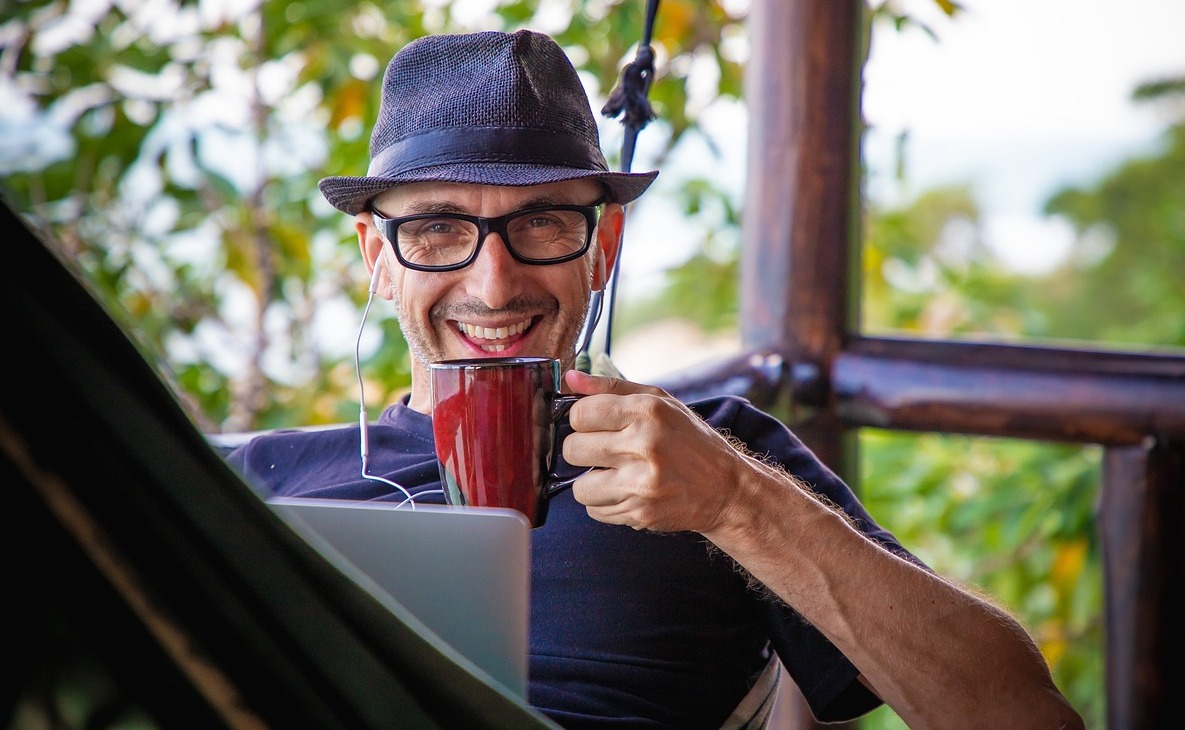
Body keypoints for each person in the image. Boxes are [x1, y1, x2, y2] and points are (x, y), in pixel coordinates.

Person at [226, 29, 1083, 729]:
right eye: (441, 230)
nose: (493, 285)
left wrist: (737, 504)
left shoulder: (712, 456)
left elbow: (1023, 717)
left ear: (602, 251)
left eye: (544, 223)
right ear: (378, 257)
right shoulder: (267, 482)